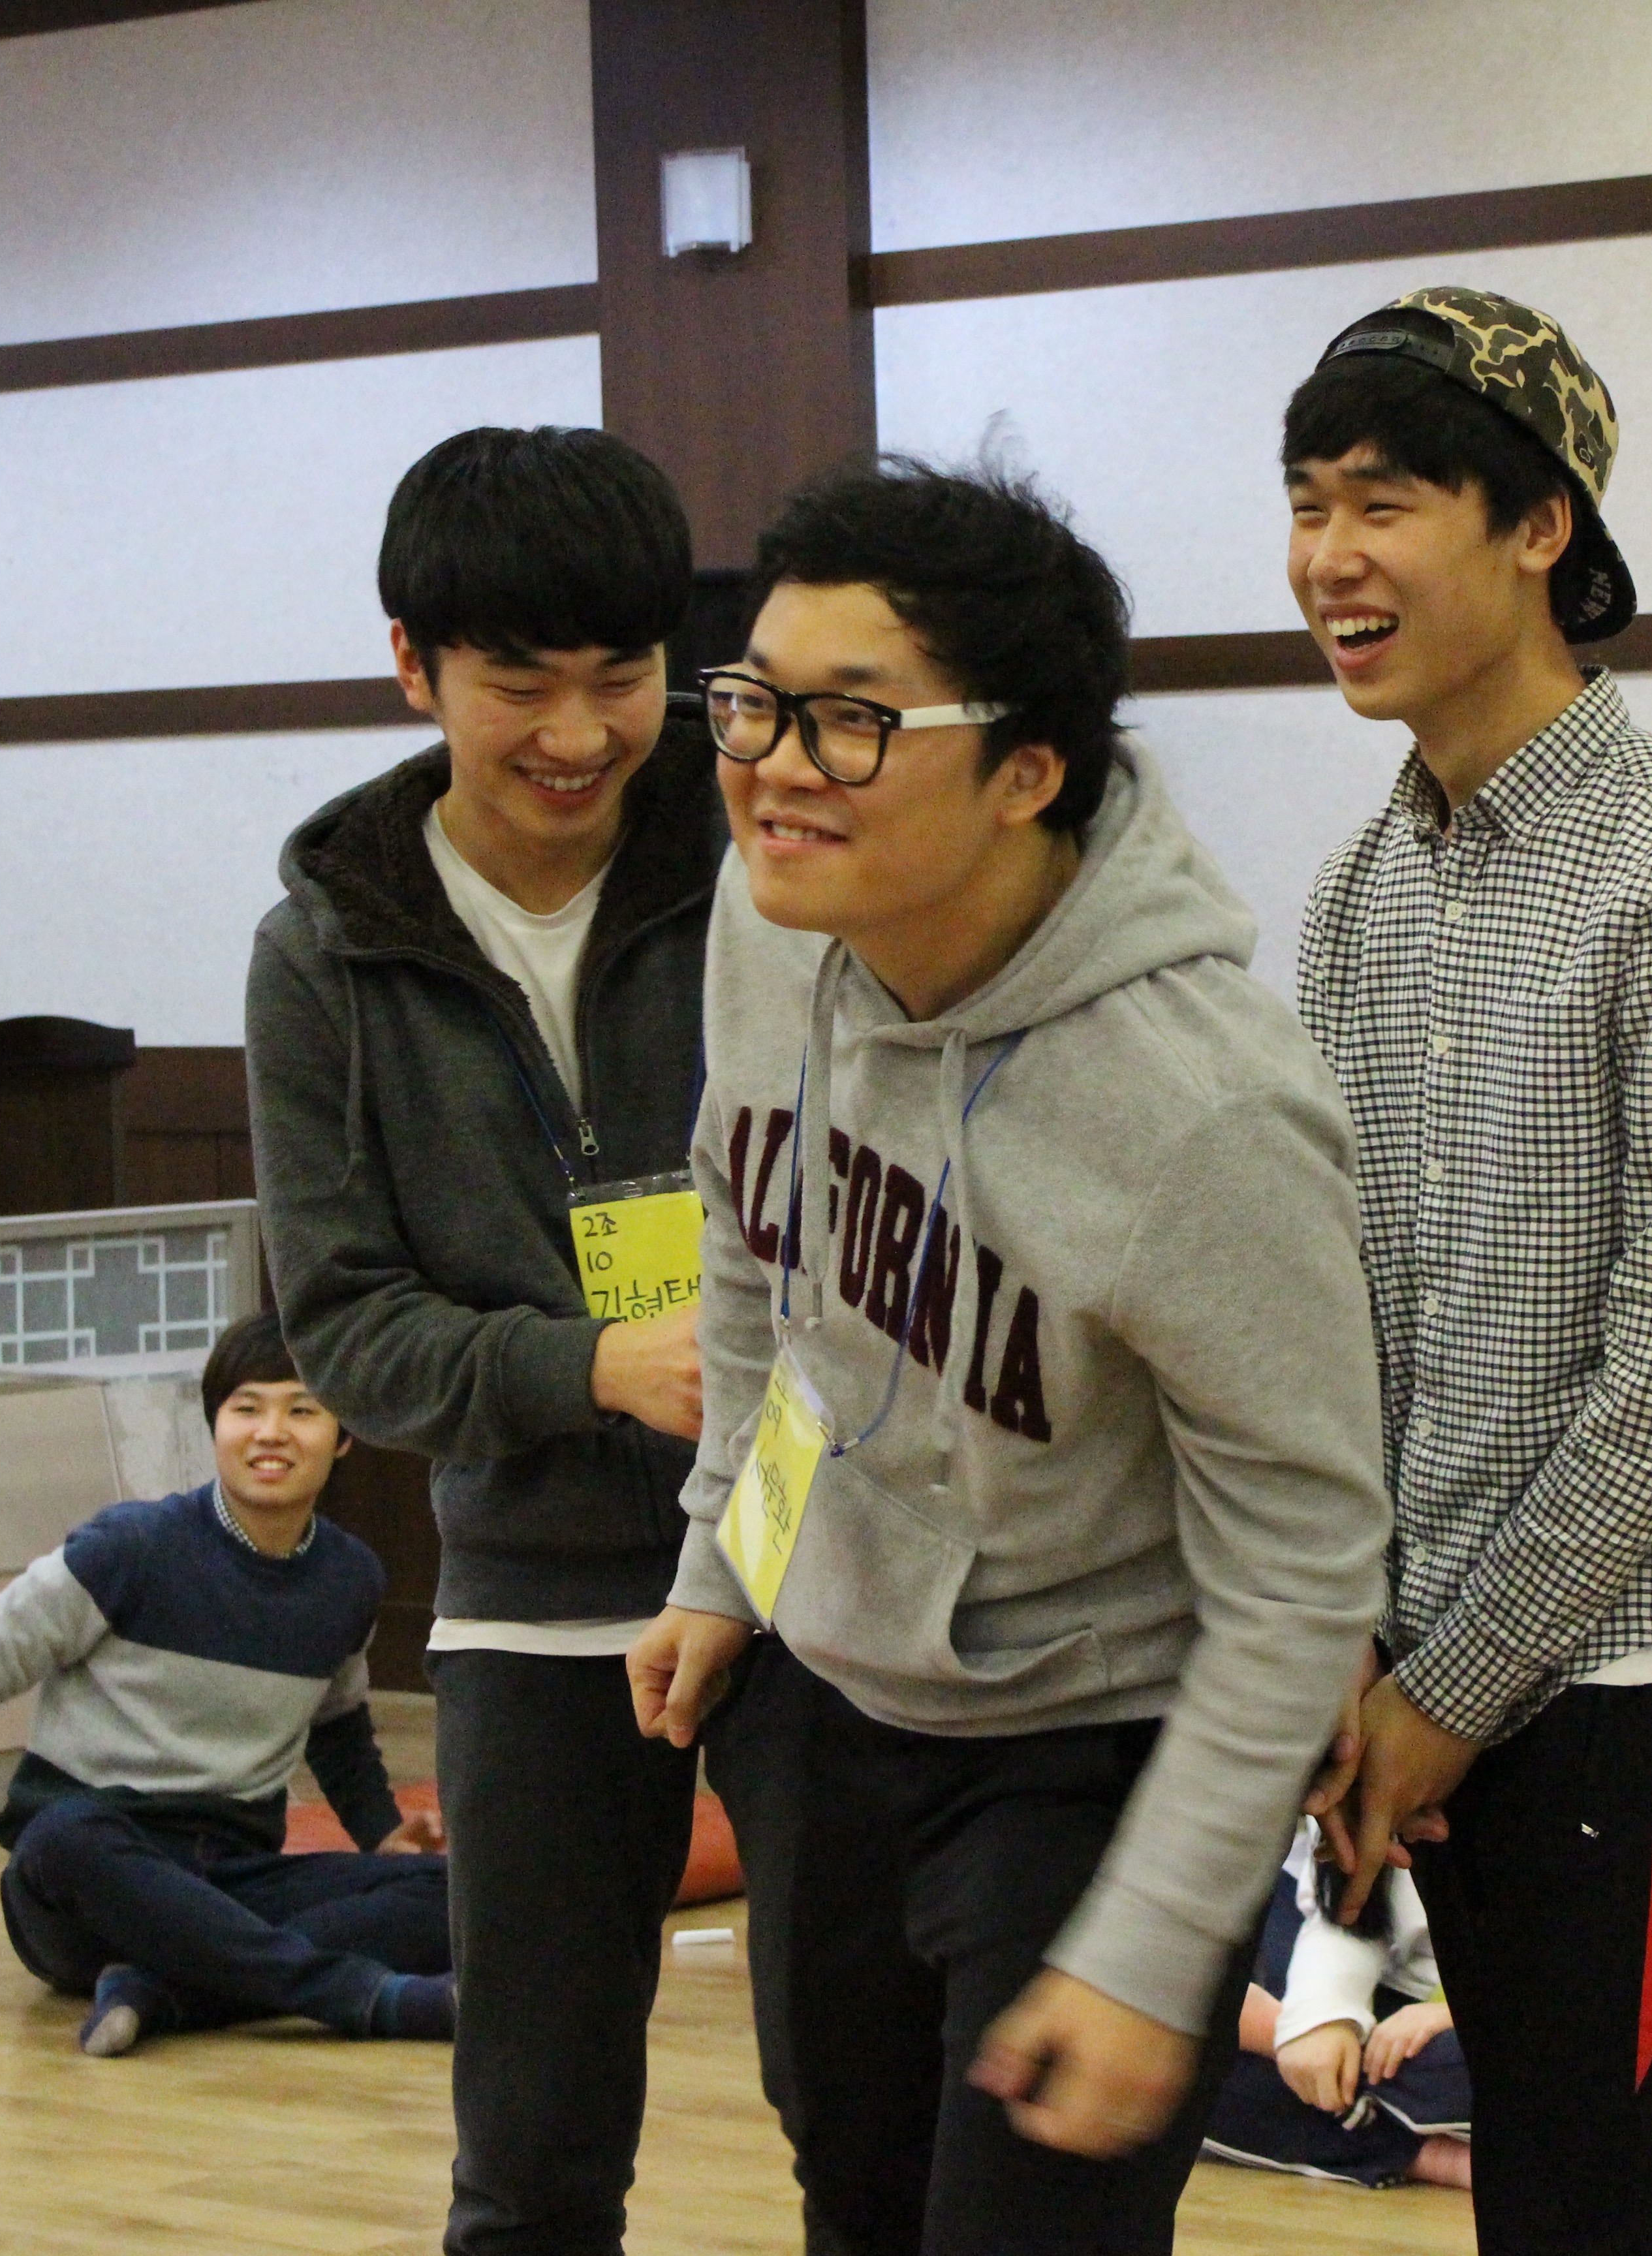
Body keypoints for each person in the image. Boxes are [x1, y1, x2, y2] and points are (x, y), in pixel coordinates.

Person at [626, 457, 1390, 2255]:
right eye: (751, 703)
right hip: (828, 1702)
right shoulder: (772, 915)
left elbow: (1303, 1565)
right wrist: (722, 1555)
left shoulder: (1203, 1109)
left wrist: (1151, 1942)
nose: (774, 768)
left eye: (850, 721)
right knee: (857, 2208)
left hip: (1084, 1745)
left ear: (1027, 771)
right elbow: (752, 1239)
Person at [1285, 285, 1652, 2255]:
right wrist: (1352, 1646)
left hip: (1645, 1683)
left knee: (1637, 2207)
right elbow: (1330, 1316)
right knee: (1540, 2198)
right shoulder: (1360, 891)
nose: (1328, 559)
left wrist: (1444, 1690)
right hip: (1430, 1675)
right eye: (1306, 505)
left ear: (1540, 527)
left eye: (1384, 503)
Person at [246, 425, 809, 2253]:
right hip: (534, 1599)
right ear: (412, 665)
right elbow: (349, 1330)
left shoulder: (769, 857)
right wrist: (595, 1368)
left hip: (811, 1571)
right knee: (536, 2148)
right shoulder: (326, 948)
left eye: (622, 674)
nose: (579, 732)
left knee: (859, 2106)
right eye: (521, 682)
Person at [0, 1311, 452, 2057]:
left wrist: (382, 1835)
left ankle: (160, 1992)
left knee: (449, 1895)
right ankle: (370, 2000)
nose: (271, 1433)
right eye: (247, 1409)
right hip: (86, 1889)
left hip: (231, 1877)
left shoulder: (349, 1580)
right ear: (214, 1425)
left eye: (302, 1411)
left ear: (344, 1436)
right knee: (61, 1836)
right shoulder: (128, 1550)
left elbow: (338, 1726)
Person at [1203, 1821, 1473, 2189]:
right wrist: (1318, 2021)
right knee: (1175, 2069)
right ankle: (1419, 2151)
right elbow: (1346, 1916)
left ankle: (1328, 2078)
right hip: (1362, 1989)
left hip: (1473, 2018)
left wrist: (1452, 2013)